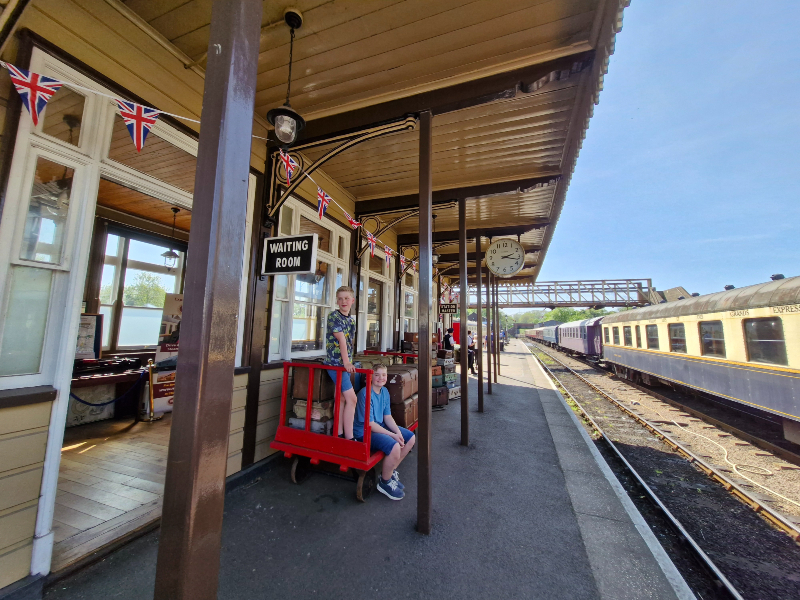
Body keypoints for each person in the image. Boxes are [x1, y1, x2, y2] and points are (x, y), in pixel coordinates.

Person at [354, 364, 415, 500]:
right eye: (376, 375)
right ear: (370, 377)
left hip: (379, 426)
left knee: (410, 438)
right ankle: (385, 482)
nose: (380, 378)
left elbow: (387, 417)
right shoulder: (365, 394)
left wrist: (397, 432)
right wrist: (393, 435)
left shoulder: (385, 392)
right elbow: (369, 424)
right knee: (394, 447)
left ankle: (390, 471)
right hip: (364, 432)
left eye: (383, 375)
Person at [324, 286, 358, 440]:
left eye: (346, 298)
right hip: (335, 364)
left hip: (344, 364)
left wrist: (350, 361)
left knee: (343, 398)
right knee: (352, 399)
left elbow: (350, 342)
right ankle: (350, 438)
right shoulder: (333, 317)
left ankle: (339, 433)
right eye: (340, 298)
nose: (343, 301)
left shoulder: (351, 320)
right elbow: (342, 340)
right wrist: (346, 362)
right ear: (337, 301)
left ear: (352, 301)